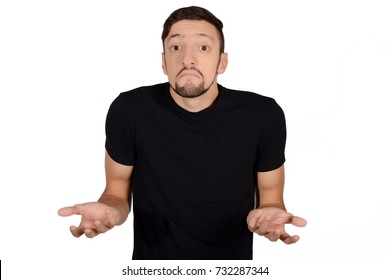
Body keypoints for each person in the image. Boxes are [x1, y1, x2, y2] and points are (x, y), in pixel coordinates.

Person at [58, 6, 307, 260]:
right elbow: (115, 193)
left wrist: (269, 216)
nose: (188, 59)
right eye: (176, 47)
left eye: (203, 47)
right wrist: (110, 213)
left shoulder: (263, 115)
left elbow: (272, 198)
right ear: (164, 62)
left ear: (222, 62)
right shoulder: (129, 110)